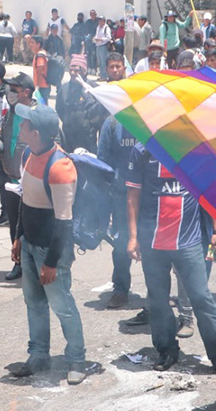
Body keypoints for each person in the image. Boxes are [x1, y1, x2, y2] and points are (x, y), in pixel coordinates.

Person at [126, 144, 216, 379]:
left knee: (201, 298)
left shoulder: (193, 149)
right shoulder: (141, 151)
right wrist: (133, 237)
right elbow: (133, 196)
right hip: (152, 242)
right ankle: (166, 350)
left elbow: (211, 193)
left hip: (189, 242)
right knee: (158, 300)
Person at [6, 103, 86, 384]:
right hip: (29, 243)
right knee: (34, 303)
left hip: (51, 250)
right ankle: (38, 356)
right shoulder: (29, 153)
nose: (21, 127)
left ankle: (77, 359)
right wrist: (18, 237)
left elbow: (64, 223)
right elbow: (24, 200)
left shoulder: (61, 168)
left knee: (62, 305)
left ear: (36, 133)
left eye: (25, 124)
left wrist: (51, 263)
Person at [96, 53, 136, 310]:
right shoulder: (111, 125)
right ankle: (120, 289)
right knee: (121, 245)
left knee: (159, 248)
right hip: (122, 196)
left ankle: (160, 295)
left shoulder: (149, 123)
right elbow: (103, 166)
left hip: (151, 196)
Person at [0, 71, 34, 281]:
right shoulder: (11, 112)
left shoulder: (38, 114)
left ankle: (32, 264)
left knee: (29, 225)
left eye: (14, 89)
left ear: (26, 92)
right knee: (14, 222)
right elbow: (5, 137)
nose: (10, 93)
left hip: (31, 182)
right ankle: (18, 263)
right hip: (11, 179)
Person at [57, 56, 105, 153]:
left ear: (84, 72)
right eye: (71, 70)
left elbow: (98, 112)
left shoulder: (94, 88)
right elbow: (59, 109)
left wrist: (88, 124)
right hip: (69, 138)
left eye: (76, 70)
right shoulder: (64, 89)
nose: (72, 73)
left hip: (87, 139)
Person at [28, 36, 51, 102]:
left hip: (42, 87)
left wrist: (37, 88)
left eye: (32, 43)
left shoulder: (40, 56)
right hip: (43, 86)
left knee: (42, 107)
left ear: (38, 45)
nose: (30, 45)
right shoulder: (41, 53)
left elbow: (40, 73)